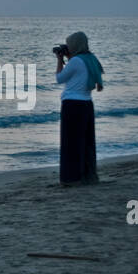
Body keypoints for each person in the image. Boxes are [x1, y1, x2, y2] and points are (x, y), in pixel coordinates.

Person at [53, 31, 103, 185]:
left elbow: (59, 78)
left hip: (72, 105)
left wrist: (60, 60)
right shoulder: (91, 59)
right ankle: (87, 175)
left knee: (71, 143)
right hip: (87, 104)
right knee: (86, 142)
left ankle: (71, 177)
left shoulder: (76, 62)